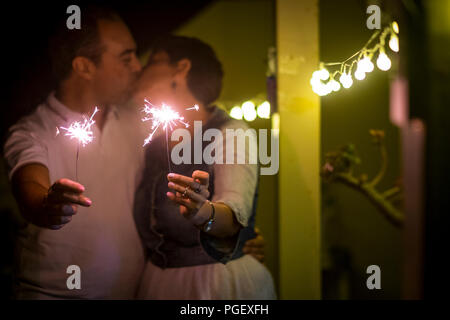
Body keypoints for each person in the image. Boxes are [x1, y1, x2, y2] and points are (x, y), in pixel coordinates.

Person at [3, 6, 265, 299]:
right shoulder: (32, 131)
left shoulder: (137, 123)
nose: (137, 67)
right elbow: (29, 187)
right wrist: (47, 206)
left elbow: (214, 155)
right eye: (126, 57)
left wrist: (234, 234)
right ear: (85, 67)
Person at [133, 36, 276, 299]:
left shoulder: (232, 133)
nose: (140, 69)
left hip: (215, 286)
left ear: (182, 68)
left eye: (153, 61)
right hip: (158, 284)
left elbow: (233, 213)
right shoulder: (153, 142)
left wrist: (203, 212)